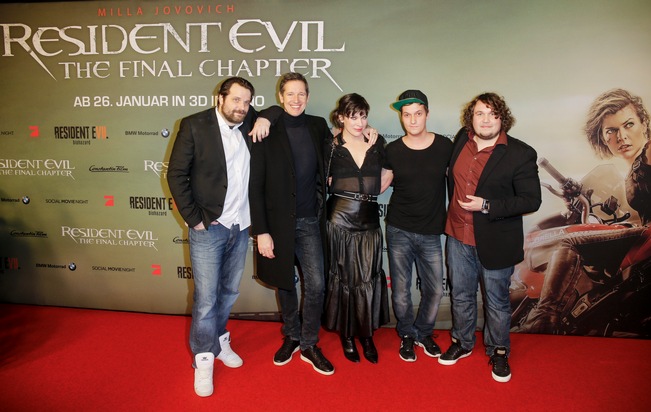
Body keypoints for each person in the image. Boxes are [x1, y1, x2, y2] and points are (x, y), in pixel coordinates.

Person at [516, 88, 650, 334]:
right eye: (611, 131)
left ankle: (544, 319)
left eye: (629, 125)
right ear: (603, 138)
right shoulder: (633, 169)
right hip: (643, 232)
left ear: (644, 124)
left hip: (648, 235)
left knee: (570, 241)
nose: (621, 136)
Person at [438, 92, 542, 383]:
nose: (485, 120)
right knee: (461, 295)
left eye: (492, 114)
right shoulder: (462, 139)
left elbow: (531, 200)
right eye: (479, 113)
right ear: (470, 118)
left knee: (496, 302)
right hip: (458, 235)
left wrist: (486, 205)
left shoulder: (520, 153)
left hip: (496, 240)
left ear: (502, 118)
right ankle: (462, 342)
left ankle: (499, 351)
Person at [167, 77, 256, 397]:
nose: (241, 107)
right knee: (206, 299)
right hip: (210, 227)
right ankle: (203, 358)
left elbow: (276, 113)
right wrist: (194, 219)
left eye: (247, 101)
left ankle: (218, 341)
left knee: (229, 292)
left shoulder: (250, 122)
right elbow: (176, 174)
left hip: (241, 226)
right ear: (220, 98)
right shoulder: (194, 125)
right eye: (236, 100)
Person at [249, 72, 336, 375]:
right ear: (280, 97)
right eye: (290, 94)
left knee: (317, 285)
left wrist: (368, 130)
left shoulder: (317, 125)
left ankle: (310, 343)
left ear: (308, 97)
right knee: (286, 283)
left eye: (301, 94)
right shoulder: (266, 128)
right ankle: (292, 336)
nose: (296, 100)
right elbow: (255, 185)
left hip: (310, 220)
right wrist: (261, 231)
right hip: (277, 224)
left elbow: (338, 146)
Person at [382, 90, 453, 362]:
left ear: (427, 114)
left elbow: (460, 178)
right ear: (401, 117)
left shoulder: (444, 147)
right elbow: (379, 186)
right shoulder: (392, 150)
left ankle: (423, 333)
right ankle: (407, 335)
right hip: (399, 229)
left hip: (431, 232)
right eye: (407, 115)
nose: (412, 120)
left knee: (434, 290)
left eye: (418, 114)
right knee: (401, 292)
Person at [322, 93, 391, 364]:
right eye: (352, 116)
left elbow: (388, 172)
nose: (359, 122)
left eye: (363, 116)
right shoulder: (330, 145)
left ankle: (366, 333)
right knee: (344, 278)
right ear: (341, 118)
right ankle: (348, 334)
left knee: (368, 277)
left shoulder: (377, 142)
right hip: (340, 219)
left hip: (370, 220)